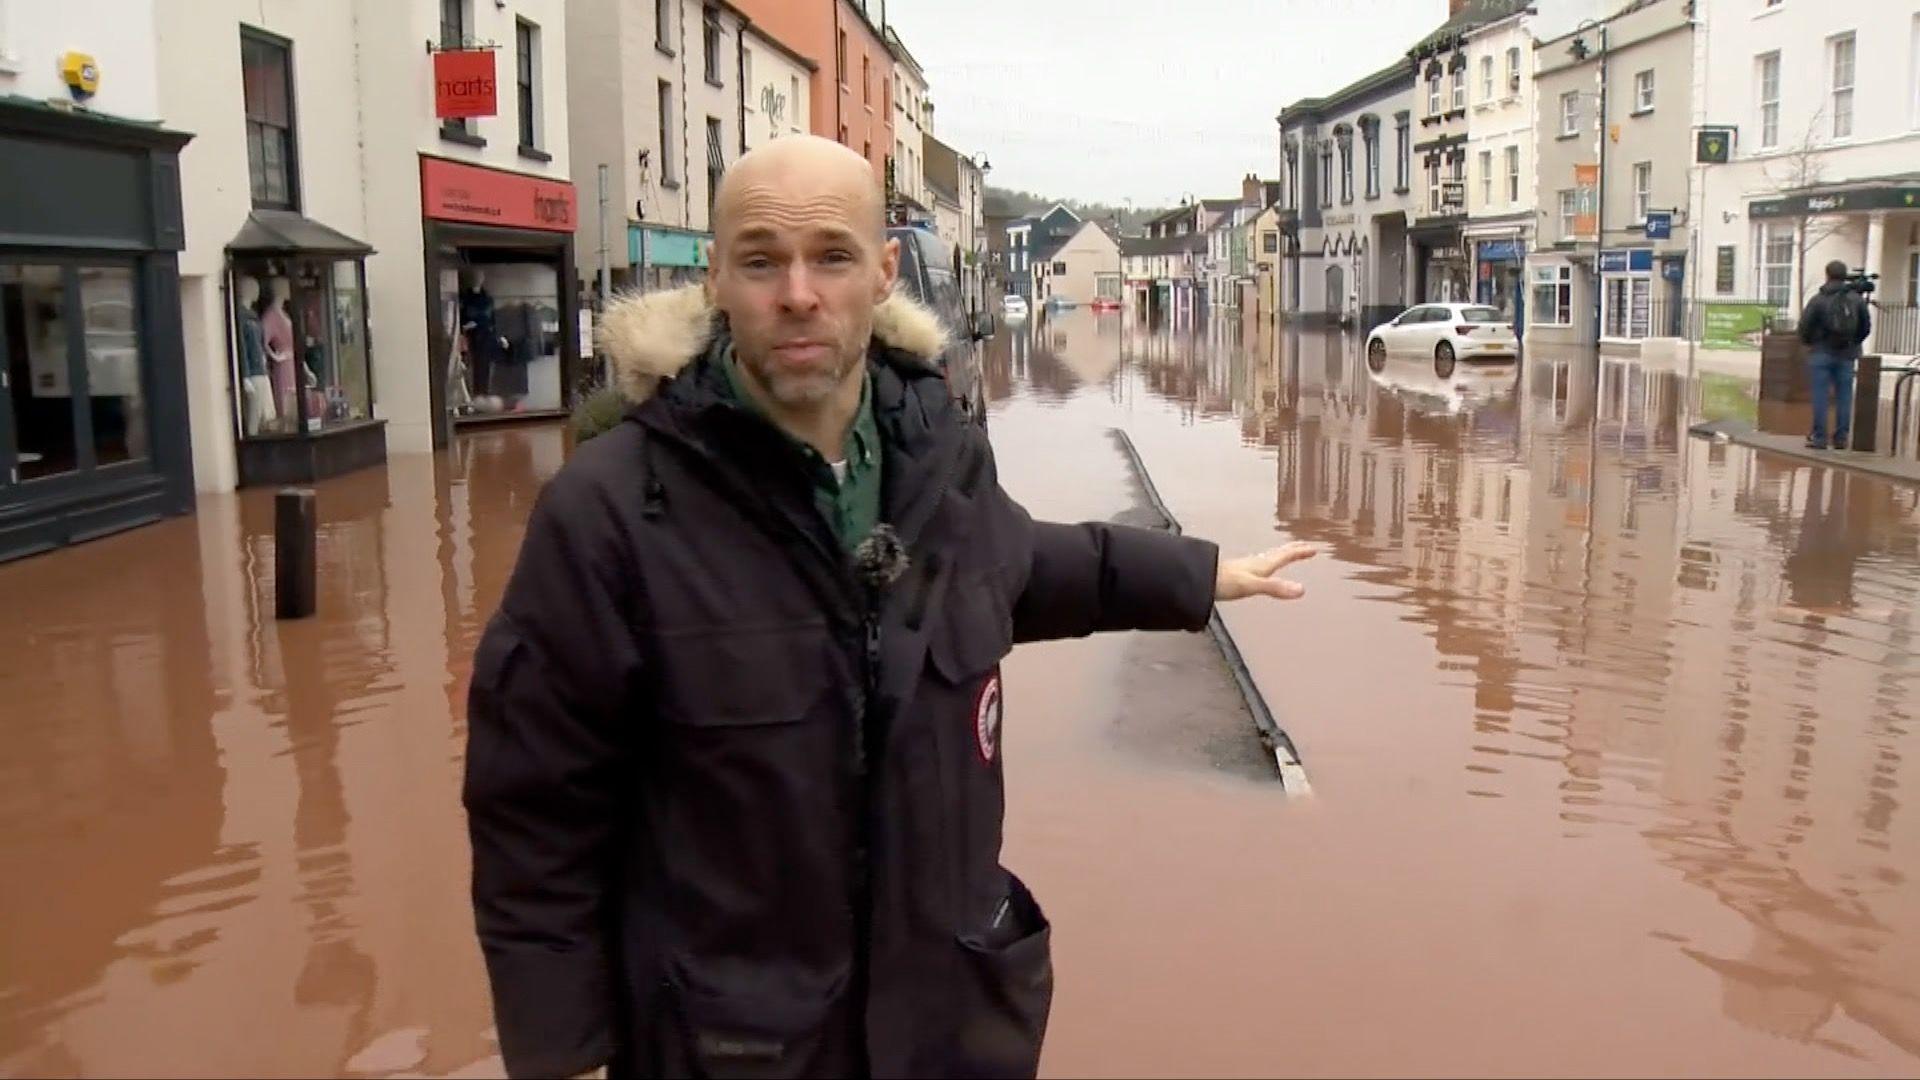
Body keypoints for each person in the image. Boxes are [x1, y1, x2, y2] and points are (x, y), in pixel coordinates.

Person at [463, 135, 1316, 1080]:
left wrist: (1199, 576)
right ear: (714, 280)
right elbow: (533, 811)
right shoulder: (611, 510)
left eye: (831, 256)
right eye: (760, 261)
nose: (797, 294)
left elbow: (1022, 566)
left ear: (883, 271)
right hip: (734, 1051)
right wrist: (562, 1055)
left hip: (947, 1034)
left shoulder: (939, 456)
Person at [1796, 259, 1872, 451]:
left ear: (1827, 275)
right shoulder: (1856, 299)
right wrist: (1853, 343)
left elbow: (1804, 327)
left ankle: (1819, 438)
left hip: (1821, 353)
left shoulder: (1818, 299)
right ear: (1844, 276)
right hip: (1847, 354)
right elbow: (1865, 327)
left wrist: (1811, 343)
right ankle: (1841, 438)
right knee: (1844, 397)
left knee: (1821, 396)